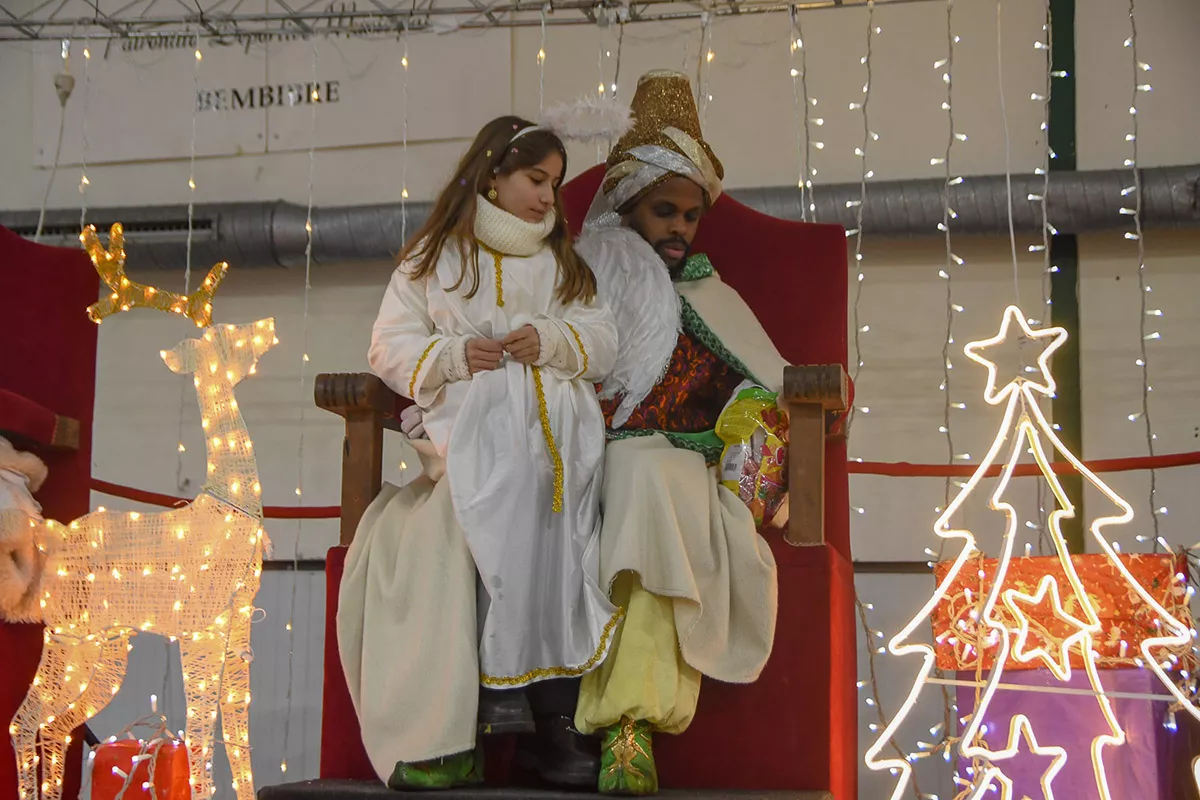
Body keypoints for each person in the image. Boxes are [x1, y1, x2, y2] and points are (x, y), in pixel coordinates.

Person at [340, 115, 619, 790]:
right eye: (535, 179)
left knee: (556, 502)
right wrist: (453, 354)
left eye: (553, 183)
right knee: (506, 482)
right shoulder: (435, 259)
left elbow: (603, 339)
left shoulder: (560, 263)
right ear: (492, 173)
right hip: (468, 422)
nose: (549, 198)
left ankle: (552, 715)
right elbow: (389, 345)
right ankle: (507, 697)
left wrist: (552, 340)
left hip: (559, 432)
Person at [570, 70, 788, 796]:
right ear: (629, 207)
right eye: (664, 210)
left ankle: (628, 727)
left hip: (672, 469)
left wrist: (740, 434)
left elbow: (767, 395)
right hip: (572, 457)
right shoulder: (578, 286)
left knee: (645, 477)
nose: (678, 229)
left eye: (691, 217)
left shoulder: (707, 296)